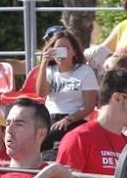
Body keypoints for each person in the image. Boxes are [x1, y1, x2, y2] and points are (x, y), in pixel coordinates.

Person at [37, 28, 100, 156]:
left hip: (74, 118)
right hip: (49, 117)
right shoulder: (50, 71)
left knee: (49, 139)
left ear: (74, 52)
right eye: (57, 49)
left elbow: (89, 105)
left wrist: (69, 119)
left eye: (66, 49)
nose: (61, 53)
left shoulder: (84, 71)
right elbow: (41, 93)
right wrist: (44, 63)